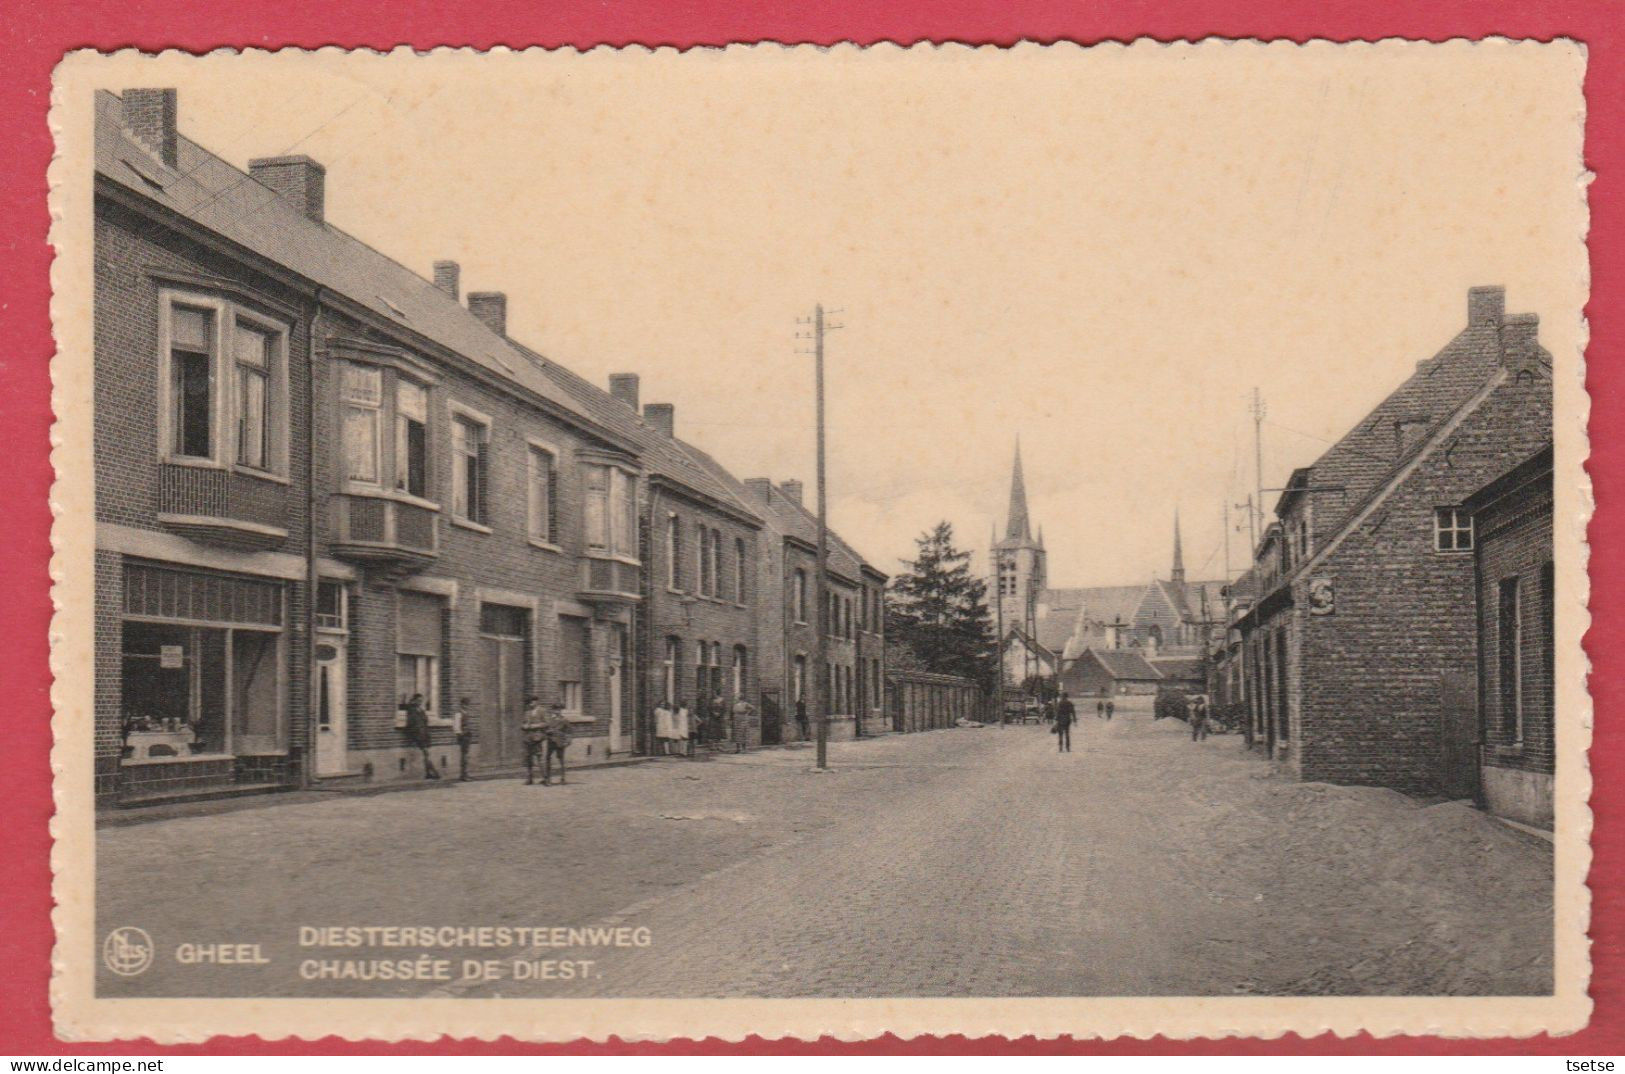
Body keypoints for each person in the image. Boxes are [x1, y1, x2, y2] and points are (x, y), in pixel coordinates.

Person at [402, 693, 439, 780]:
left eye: (421, 701)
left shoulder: (421, 710)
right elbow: (410, 723)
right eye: (418, 700)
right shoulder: (411, 710)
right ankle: (434, 772)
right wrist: (412, 733)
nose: (420, 702)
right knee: (426, 753)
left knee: (426, 754)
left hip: (424, 734)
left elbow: (425, 721)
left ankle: (428, 773)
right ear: (414, 700)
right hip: (418, 734)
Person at [541, 701, 572, 785]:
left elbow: (569, 732)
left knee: (561, 759)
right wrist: (547, 731)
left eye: (559, 710)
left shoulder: (564, 720)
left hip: (560, 742)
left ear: (561, 710)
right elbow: (544, 729)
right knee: (548, 759)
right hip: (551, 741)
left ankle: (563, 778)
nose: (557, 711)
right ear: (552, 710)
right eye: (555, 710)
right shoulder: (549, 720)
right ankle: (548, 779)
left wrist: (567, 741)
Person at [520, 696, 545, 785]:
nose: (531, 704)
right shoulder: (527, 713)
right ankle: (529, 778)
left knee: (539, 758)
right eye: (529, 702)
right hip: (528, 738)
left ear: (537, 701)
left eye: (532, 702)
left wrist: (535, 726)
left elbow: (546, 723)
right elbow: (523, 724)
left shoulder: (542, 711)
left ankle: (544, 778)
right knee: (528, 758)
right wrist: (524, 726)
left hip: (537, 738)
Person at [452, 696, 474, 781]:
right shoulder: (458, 713)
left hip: (467, 735)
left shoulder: (465, 712)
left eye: (467, 705)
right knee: (464, 756)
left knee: (466, 755)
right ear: (461, 704)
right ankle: (463, 775)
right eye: (465, 704)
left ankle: (465, 774)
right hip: (463, 736)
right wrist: (460, 735)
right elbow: (456, 726)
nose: (466, 706)